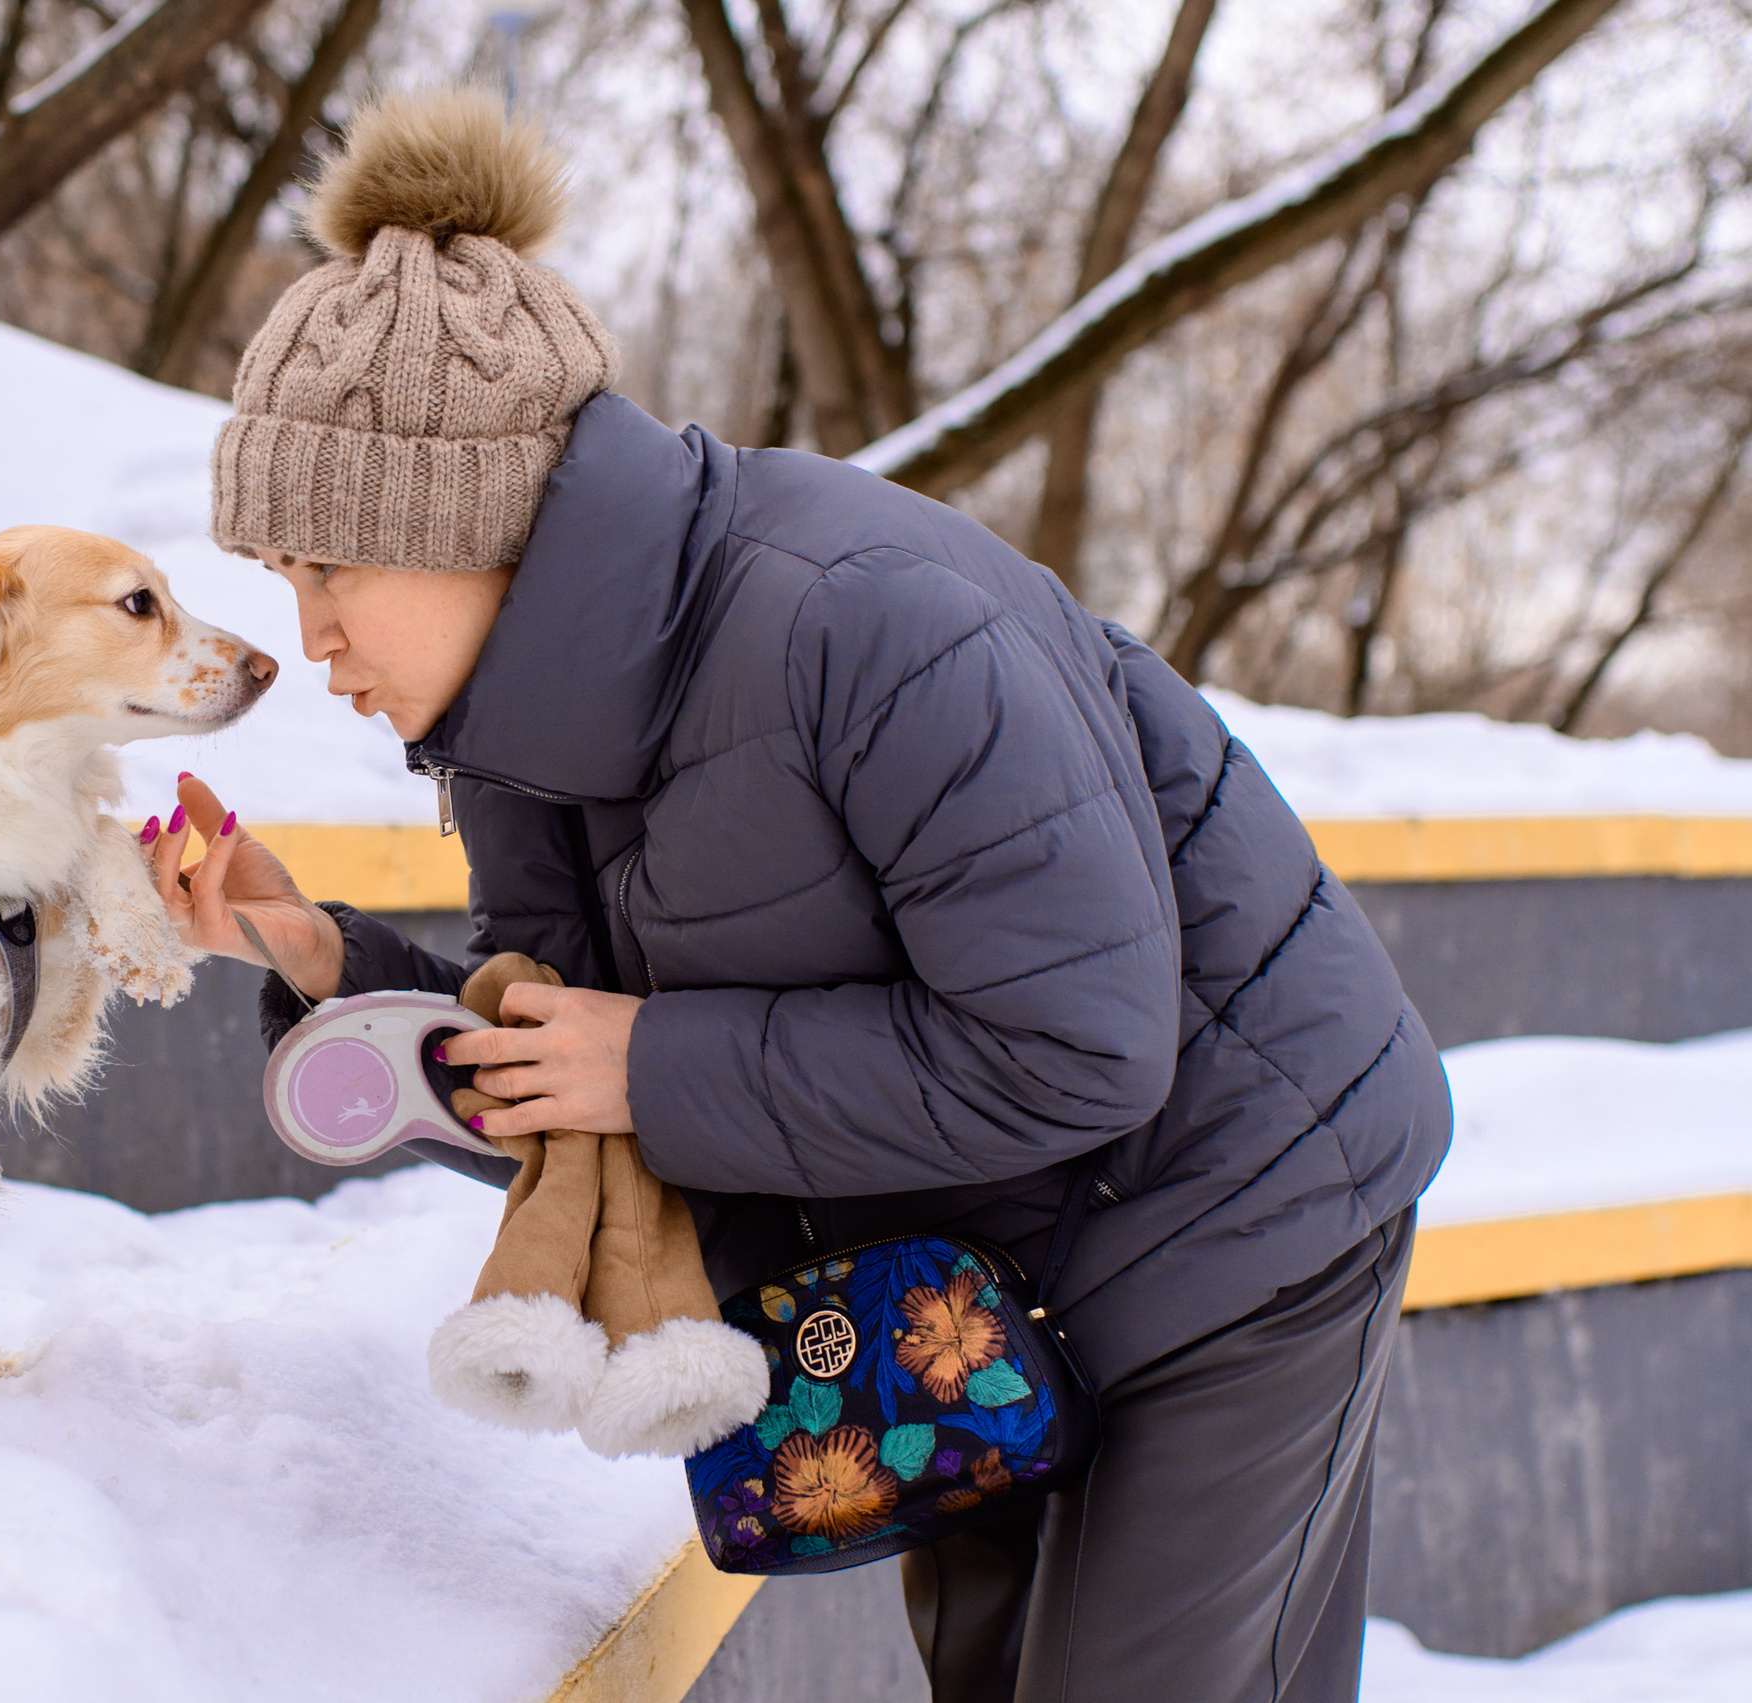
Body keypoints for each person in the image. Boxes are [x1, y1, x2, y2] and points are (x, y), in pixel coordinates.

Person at [143, 89, 1450, 1703]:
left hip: (1235, 1216)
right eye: (284, 578)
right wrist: (325, 959)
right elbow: (597, 1108)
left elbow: (1080, 1049)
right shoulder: (514, 738)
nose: (309, 631)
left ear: (469, 526)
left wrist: (654, 1063)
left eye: (328, 570)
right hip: (967, 1266)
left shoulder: (867, 624)